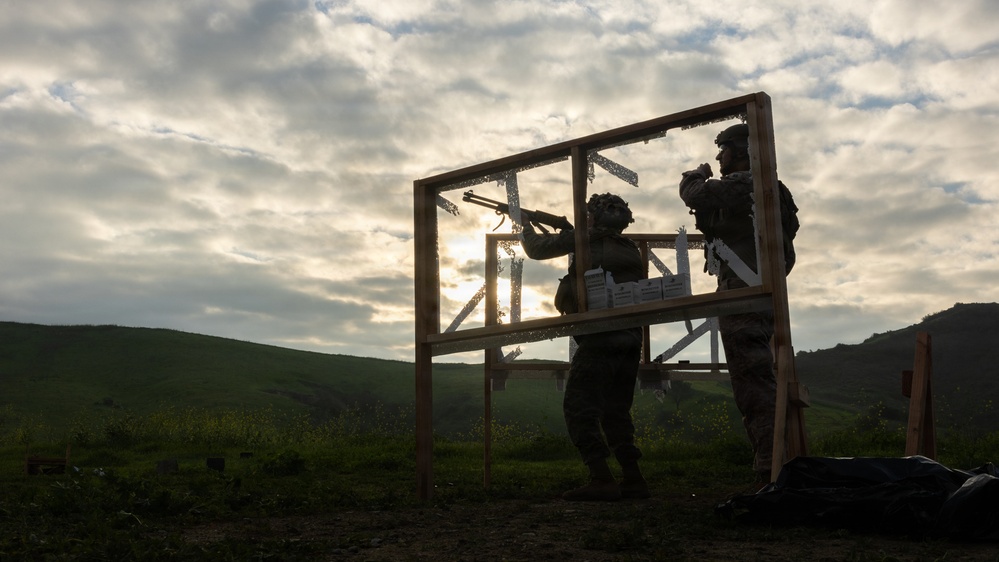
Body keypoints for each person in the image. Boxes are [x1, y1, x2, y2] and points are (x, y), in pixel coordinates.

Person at [678, 123, 798, 486]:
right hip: (754, 287)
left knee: (752, 379)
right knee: (758, 374)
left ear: (742, 150)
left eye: (723, 149)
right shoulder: (766, 187)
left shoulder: (746, 183)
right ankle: (779, 463)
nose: (718, 156)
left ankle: (771, 469)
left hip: (744, 290)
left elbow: (694, 193)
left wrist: (695, 173)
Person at [521, 192, 649, 501]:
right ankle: (633, 478)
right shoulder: (630, 248)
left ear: (595, 217)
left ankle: (601, 477)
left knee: (579, 407)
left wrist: (525, 225)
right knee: (616, 411)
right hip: (630, 338)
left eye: (589, 214)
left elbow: (536, 249)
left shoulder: (587, 239)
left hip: (601, 335)